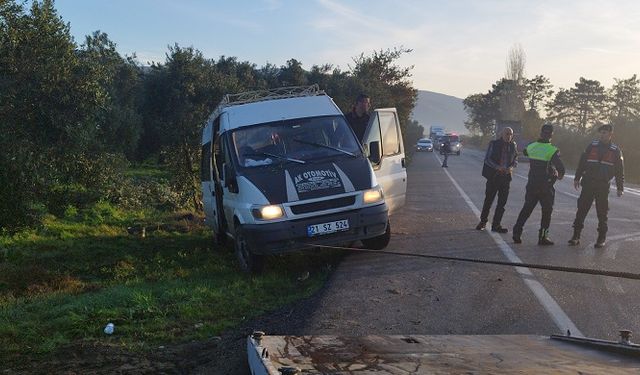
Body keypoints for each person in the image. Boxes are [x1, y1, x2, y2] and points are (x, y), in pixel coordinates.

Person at [568, 124, 624, 248]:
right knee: (581, 209)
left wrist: (620, 187)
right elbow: (582, 162)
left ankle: (601, 238)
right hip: (588, 183)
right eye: (601, 132)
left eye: (605, 132)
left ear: (610, 134)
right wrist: (577, 177)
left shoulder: (615, 150)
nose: (602, 135)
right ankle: (576, 236)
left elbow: (620, 170)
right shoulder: (592, 146)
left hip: (603, 185)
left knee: (602, 212)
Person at [512, 124, 565, 245]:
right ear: (551, 135)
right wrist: (559, 175)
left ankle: (517, 232)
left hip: (532, 184)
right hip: (546, 186)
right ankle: (543, 237)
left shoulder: (531, 146)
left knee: (526, 209)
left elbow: (524, 152)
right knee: (547, 212)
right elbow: (561, 168)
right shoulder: (552, 150)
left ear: (540, 133)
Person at [476, 127, 518, 233]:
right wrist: (497, 167)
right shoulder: (494, 144)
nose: (509, 136)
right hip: (494, 177)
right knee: (488, 201)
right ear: (502, 134)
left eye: (510, 134)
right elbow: (487, 159)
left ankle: (496, 225)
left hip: (506, 178)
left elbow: (515, 160)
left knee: (502, 203)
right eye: (507, 134)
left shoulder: (513, 145)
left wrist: (511, 167)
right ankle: (483, 222)